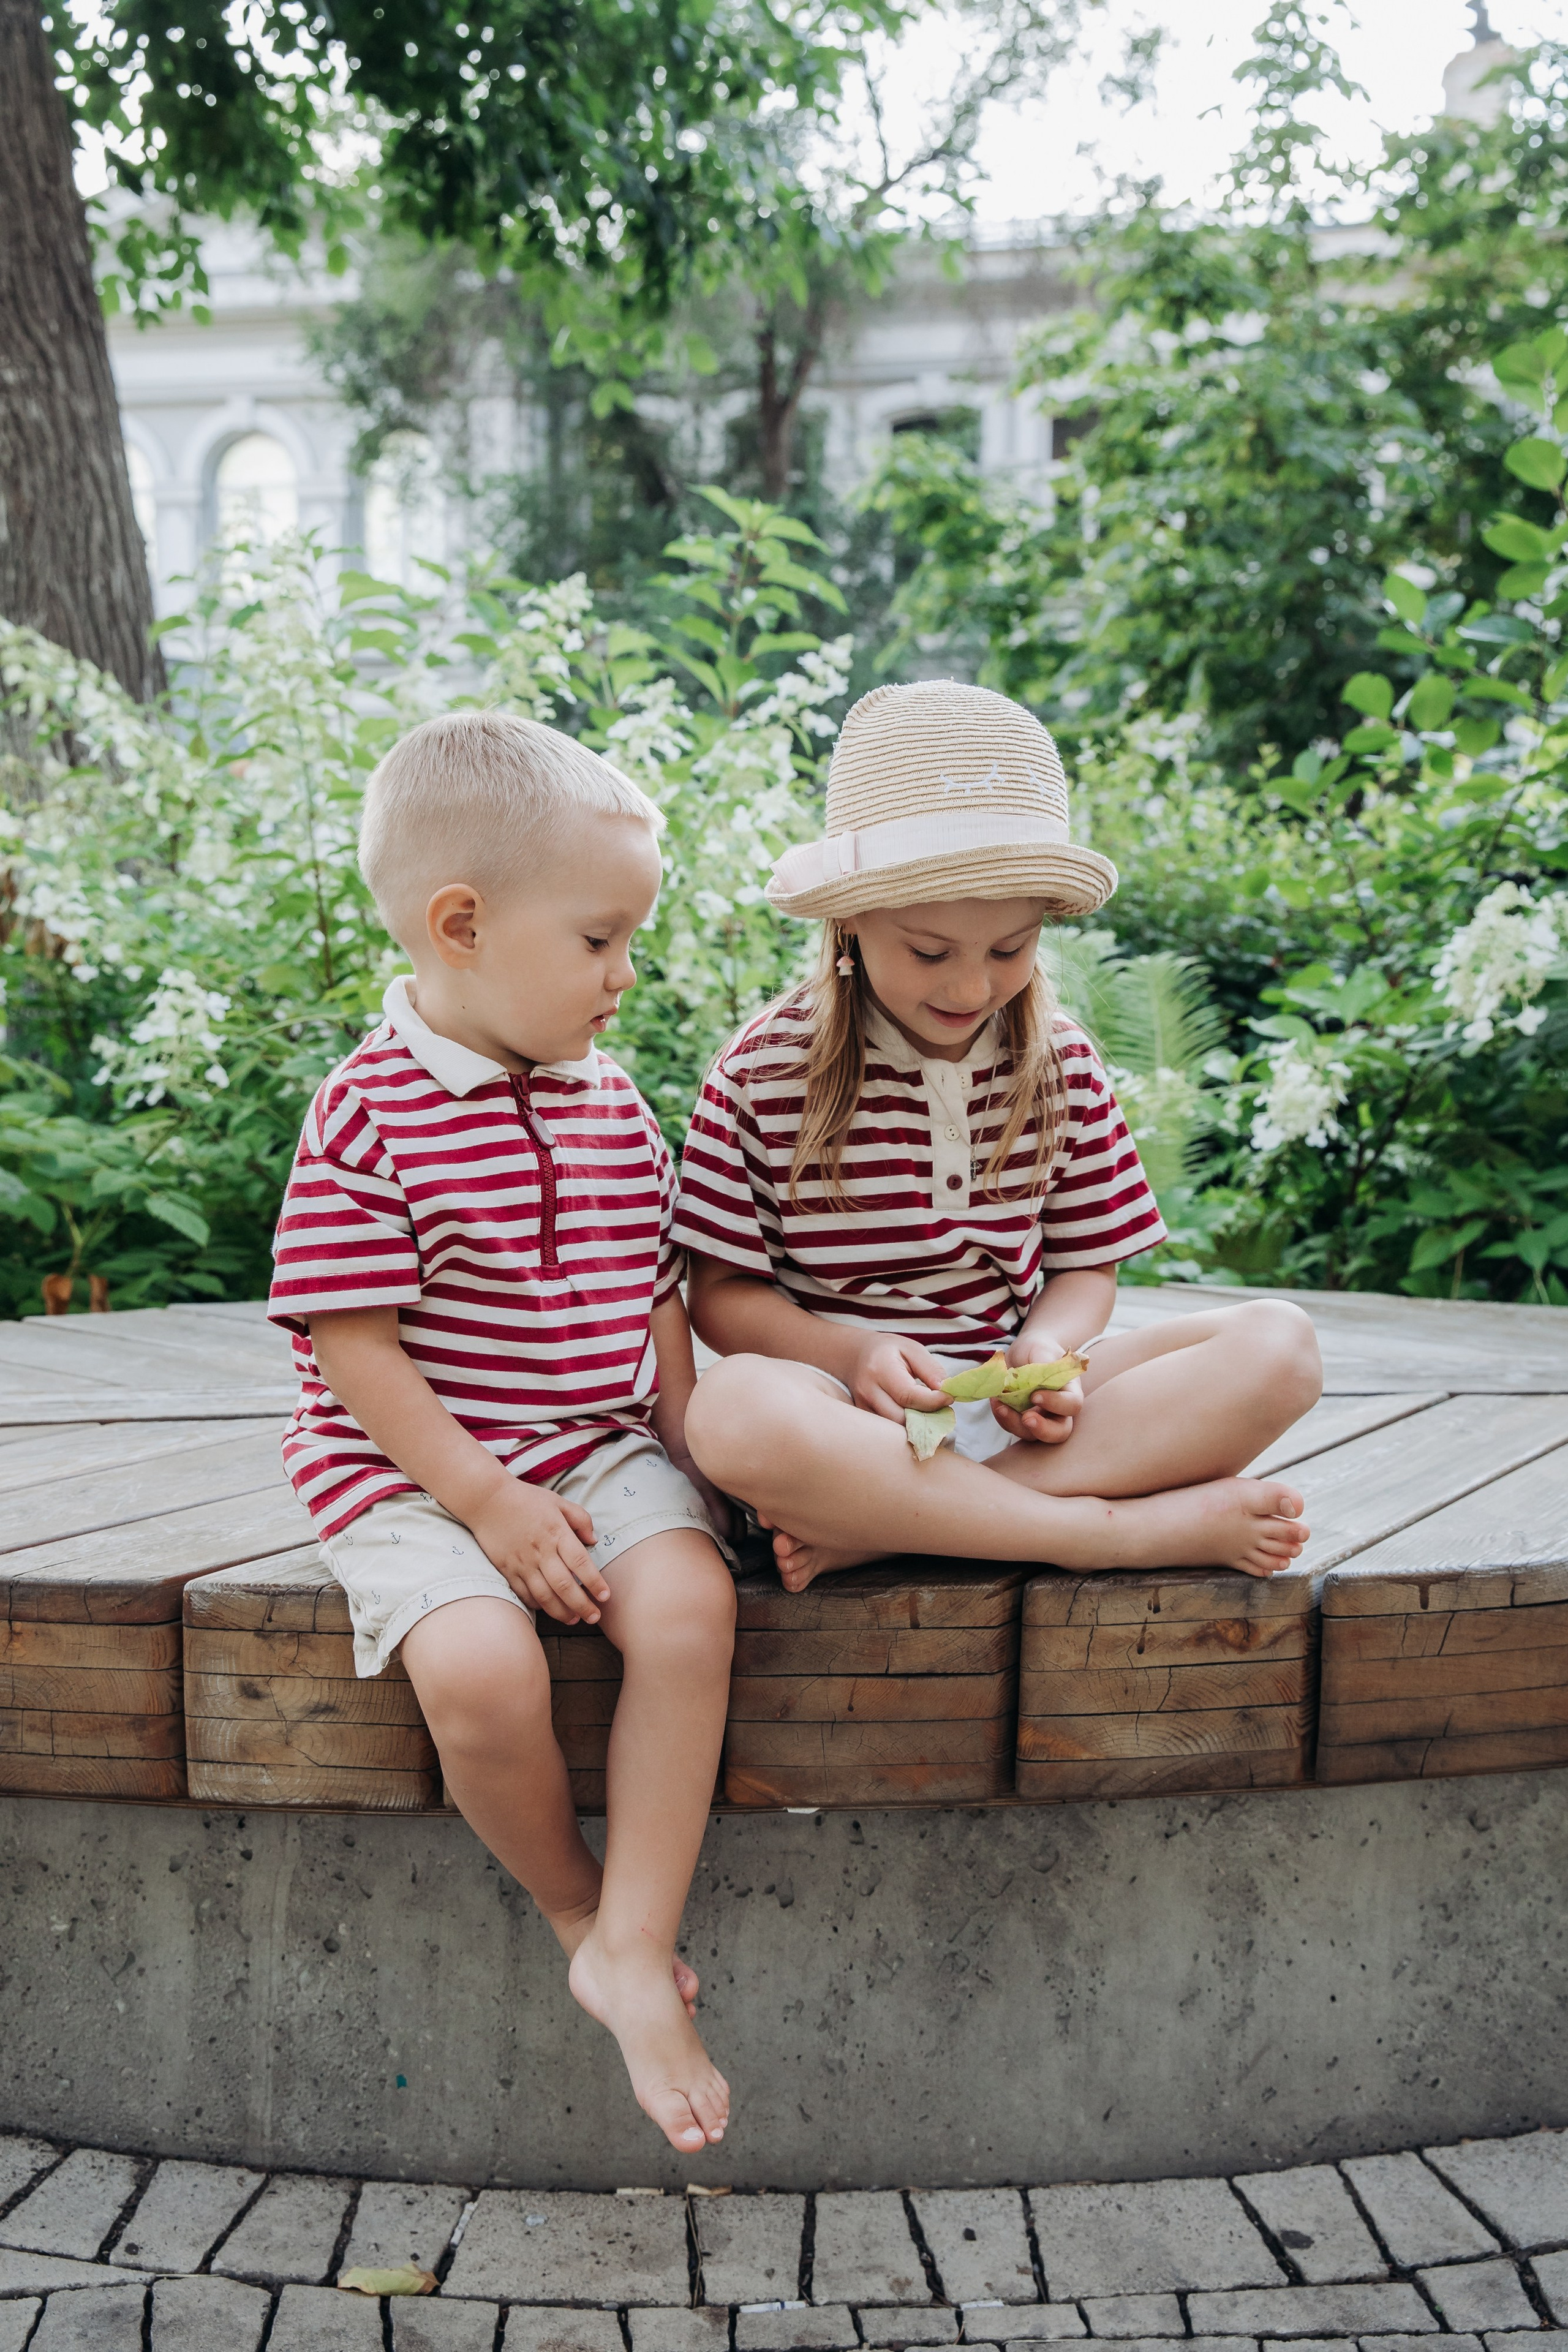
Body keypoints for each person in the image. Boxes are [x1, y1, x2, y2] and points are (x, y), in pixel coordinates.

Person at [268, 709, 737, 2156]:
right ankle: (581, 1914)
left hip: (591, 1443)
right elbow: (351, 1347)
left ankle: (639, 1931)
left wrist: (698, 1452)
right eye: (598, 940)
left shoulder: (616, 1104)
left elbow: (659, 1299)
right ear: (460, 923)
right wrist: (481, 1501)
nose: (625, 974)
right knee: (476, 1672)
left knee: (692, 1609)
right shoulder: (372, 1113)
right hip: (413, 1465)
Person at [678, 680, 1322, 1591]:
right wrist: (851, 1355)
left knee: (1281, 1346)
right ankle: (1103, 1533)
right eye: (931, 952)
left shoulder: (1060, 1061)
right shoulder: (761, 1072)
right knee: (733, 1412)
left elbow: (1084, 1267)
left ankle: (905, 1530)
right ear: (847, 922)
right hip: (846, 1422)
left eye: (1011, 949)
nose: (972, 989)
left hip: (1005, 1401)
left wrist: (1050, 1351)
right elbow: (722, 1295)